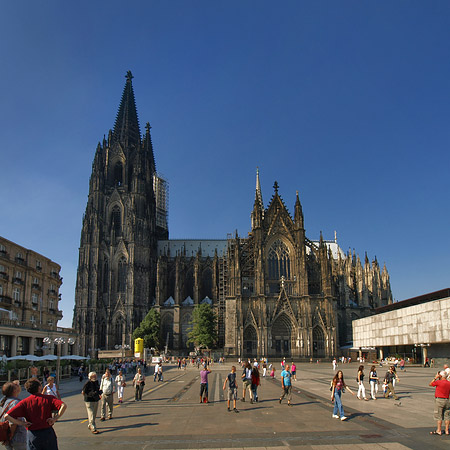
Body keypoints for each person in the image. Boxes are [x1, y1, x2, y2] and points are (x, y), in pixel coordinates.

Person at [5, 378, 66, 449]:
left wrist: (22, 423)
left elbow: (7, 416)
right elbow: (63, 405)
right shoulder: (49, 398)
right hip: (47, 432)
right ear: (39, 387)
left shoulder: (25, 402)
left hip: (33, 433)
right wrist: (55, 418)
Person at [0, 382, 27, 450]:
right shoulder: (15, 402)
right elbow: (13, 422)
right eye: (16, 386)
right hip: (17, 437)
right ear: (14, 391)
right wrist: (10, 436)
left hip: (6, 435)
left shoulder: (4, 400)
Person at [429, 370, 450, 435]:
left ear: (440, 376)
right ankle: (447, 430)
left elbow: (430, 384)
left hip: (439, 400)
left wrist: (435, 378)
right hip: (447, 400)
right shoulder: (449, 383)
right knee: (447, 416)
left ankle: (439, 430)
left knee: (439, 416)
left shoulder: (438, 382)